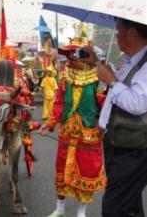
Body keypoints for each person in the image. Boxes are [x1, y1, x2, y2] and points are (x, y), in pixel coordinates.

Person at [82, 19, 147, 217]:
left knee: (114, 208)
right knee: (129, 205)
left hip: (134, 150)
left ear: (131, 32)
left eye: (118, 30)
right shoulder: (130, 60)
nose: (116, 35)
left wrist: (110, 80)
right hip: (118, 143)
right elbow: (122, 82)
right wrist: (97, 63)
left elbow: (138, 103)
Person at [39, 33, 106, 217]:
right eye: (68, 56)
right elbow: (59, 104)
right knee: (61, 168)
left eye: (72, 56)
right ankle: (59, 208)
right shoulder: (65, 80)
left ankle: (81, 211)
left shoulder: (97, 81)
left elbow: (104, 104)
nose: (68, 60)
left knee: (86, 170)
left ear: (85, 57)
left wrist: (109, 91)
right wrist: (50, 122)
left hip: (88, 134)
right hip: (67, 133)